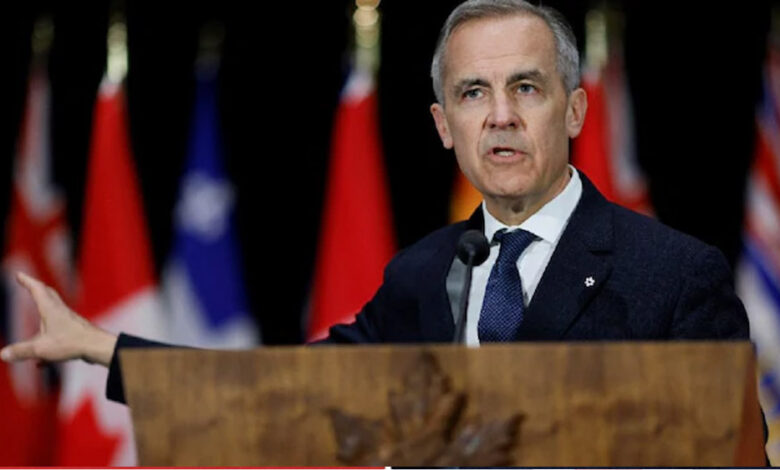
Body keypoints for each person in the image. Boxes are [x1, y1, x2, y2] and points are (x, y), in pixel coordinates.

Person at [0, 0, 749, 403]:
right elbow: (283, 392)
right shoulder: (423, 275)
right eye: (473, 93)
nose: (500, 116)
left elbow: (732, 454)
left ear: (575, 110)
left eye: (526, 88)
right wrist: (102, 347)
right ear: (444, 127)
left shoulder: (676, 274)